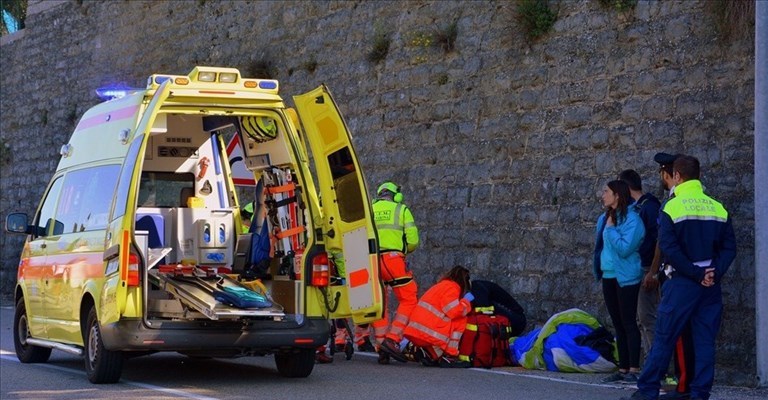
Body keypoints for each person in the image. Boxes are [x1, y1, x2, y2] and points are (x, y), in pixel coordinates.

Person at [623, 155, 736, 400]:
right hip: (710, 284)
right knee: (705, 340)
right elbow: (729, 248)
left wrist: (695, 273)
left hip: (683, 282)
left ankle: (648, 390)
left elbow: (668, 247)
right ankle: (700, 393)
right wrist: (713, 272)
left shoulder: (672, 206)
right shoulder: (718, 207)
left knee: (665, 336)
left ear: (677, 176)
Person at [652, 153, 696, 400]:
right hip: (694, 275)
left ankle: (682, 385)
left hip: (678, 276)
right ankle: (686, 382)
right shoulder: (696, 200)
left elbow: (665, 243)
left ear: (669, 175)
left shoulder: (674, 203)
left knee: (677, 333)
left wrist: (654, 272)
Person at [593, 180, 645, 383]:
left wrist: (611, 230)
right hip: (608, 275)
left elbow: (625, 248)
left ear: (617, 195)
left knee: (629, 322)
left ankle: (634, 368)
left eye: (606, 191)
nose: (602, 195)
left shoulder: (633, 220)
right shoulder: (604, 218)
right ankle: (623, 368)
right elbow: (600, 247)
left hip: (627, 277)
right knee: (617, 323)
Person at [370, 181, 420, 364]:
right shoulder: (402, 210)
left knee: (379, 302)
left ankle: (381, 344)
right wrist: (405, 250)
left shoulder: (370, 209)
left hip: (372, 261)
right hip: (393, 261)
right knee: (409, 298)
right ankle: (392, 339)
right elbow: (413, 240)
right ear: (396, 195)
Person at [617, 169, 661, 359]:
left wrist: (652, 271)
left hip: (646, 269)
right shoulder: (637, 208)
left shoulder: (648, 208)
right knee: (641, 318)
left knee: (647, 317)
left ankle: (656, 364)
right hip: (637, 268)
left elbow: (659, 241)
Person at [402, 265, 474, 368]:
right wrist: (466, 302)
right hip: (427, 334)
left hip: (416, 332)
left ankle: (430, 353)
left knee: (450, 321)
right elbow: (454, 312)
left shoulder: (441, 286)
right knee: (461, 319)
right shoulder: (452, 288)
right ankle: (450, 356)